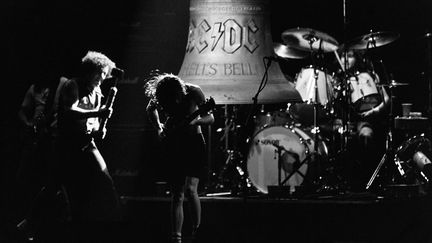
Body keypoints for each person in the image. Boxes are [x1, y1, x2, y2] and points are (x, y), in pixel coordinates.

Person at [55, 51, 121, 238]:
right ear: (92, 71)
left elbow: (96, 123)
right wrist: (97, 113)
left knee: (105, 179)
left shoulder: (98, 91)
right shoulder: (72, 85)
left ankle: (115, 225)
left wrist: (100, 128)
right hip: (67, 145)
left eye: (105, 74)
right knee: (65, 188)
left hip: (87, 142)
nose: (103, 77)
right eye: (101, 73)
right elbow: (69, 111)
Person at [145, 73, 214, 243]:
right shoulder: (161, 94)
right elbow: (150, 109)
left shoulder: (194, 91)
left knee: (191, 189)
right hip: (174, 145)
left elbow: (210, 117)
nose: (175, 103)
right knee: (177, 194)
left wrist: (195, 122)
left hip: (194, 143)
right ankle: (176, 238)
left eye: (177, 99)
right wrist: (159, 128)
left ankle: (197, 232)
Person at [338, 49, 390, 190]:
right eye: (343, 56)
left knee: (366, 135)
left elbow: (386, 99)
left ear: (357, 58)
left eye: (350, 56)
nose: (345, 60)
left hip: (370, 119)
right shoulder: (339, 80)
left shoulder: (370, 75)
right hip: (347, 120)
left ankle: (368, 180)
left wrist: (375, 111)